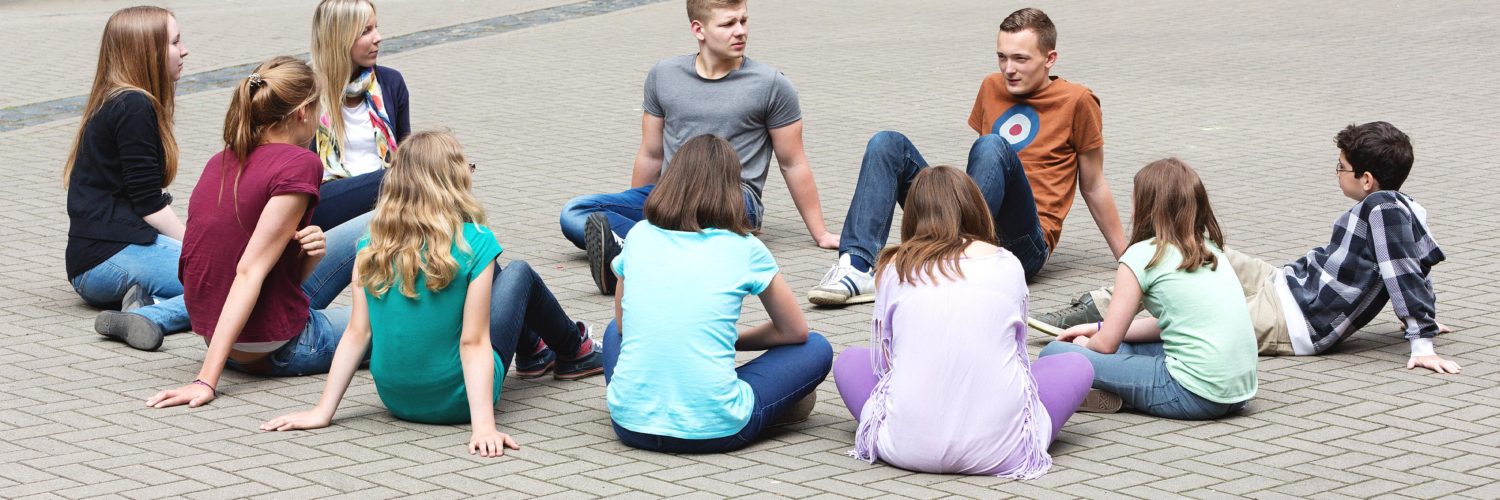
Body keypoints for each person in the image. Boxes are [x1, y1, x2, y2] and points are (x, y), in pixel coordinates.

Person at [260, 131, 603, 457]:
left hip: (396, 398)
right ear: (451, 183)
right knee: (519, 273)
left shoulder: (369, 246)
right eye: (467, 168)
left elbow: (357, 332)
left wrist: (323, 410)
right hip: (458, 400)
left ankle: (535, 353)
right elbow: (473, 342)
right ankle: (575, 350)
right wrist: (483, 425)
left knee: (491, 275)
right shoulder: (478, 241)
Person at [1031, 122, 1459, 374]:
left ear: (1367, 180)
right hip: (1286, 284)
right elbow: (1416, 267)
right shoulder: (1404, 207)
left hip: (1295, 320)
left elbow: (1402, 269)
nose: (1336, 173)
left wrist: (1421, 338)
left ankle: (1105, 329)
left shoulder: (1383, 208)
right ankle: (1095, 306)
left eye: (1341, 167)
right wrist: (1428, 316)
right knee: (1197, 248)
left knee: (1193, 301)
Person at [808, 7, 1126, 306]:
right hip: (968, 228)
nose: (1008, 69)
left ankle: (946, 257)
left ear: (1050, 58)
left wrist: (1127, 258)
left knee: (992, 145)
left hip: (1023, 244)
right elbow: (982, 176)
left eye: (1020, 59)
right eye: (1002, 57)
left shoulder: (1078, 100)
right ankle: (858, 267)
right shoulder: (991, 86)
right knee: (887, 143)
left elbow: (1094, 185)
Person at [559, 0, 839, 295]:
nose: (740, 31)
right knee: (575, 212)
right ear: (698, 29)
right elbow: (651, 154)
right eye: (728, 24)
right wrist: (642, 215)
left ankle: (632, 256)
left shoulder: (771, 84)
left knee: (699, 217)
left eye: (743, 21)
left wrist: (819, 233)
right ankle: (637, 250)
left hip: (734, 198)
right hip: (671, 193)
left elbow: (793, 162)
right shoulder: (664, 75)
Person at [831, 166, 1092, 478]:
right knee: (1077, 364)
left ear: (914, 215)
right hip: (1001, 452)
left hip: (903, 450)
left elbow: (885, 362)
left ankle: (915, 425)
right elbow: (1017, 356)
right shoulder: (1007, 264)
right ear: (975, 207)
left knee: (849, 361)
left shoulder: (894, 267)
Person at [146, 56, 369, 409]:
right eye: (319, 107)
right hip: (275, 346)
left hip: (228, 332)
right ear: (302, 113)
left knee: (377, 221)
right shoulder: (300, 163)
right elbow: (248, 270)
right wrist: (206, 380)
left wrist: (307, 256)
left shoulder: (222, 160)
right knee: (399, 326)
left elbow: (236, 261)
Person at [602, 135, 832, 453]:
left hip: (630, 426)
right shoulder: (745, 247)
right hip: (716, 431)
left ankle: (663, 396)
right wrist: (731, 339)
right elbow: (794, 331)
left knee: (613, 332)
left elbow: (625, 326)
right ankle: (744, 403)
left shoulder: (639, 235)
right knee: (816, 347)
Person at [1037, 158, 1257, 420]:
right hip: (1237, 393)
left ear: (1146, 207)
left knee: (1055, 354)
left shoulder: (1142, 256)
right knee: (1123, 349)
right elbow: (1172, 323)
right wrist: (1095, 328)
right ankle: (1116, 389)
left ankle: (1121, 395)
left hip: (1192, 393)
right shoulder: (1210, 249)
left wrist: (1087, 344)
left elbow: (1106, 345)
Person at [65, 6, 191, 351]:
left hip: (97, 258)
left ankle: (143, 303)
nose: (184, 51)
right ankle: (150, 318)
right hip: (105, 258)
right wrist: (198, 247)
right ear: (146, 52)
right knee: (230, 285)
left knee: (235, 282)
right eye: (175, 42)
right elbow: (149, 204)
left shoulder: (119, 100)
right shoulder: (133, 106)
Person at [308, 0, 411, 230]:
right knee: (403, 179)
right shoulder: (306, 93)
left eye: (376, 27)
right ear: (338, 38)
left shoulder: (391, 83)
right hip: (326, 204)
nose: (378, 37)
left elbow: (406, 150)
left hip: (387, 203)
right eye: (366, 31)